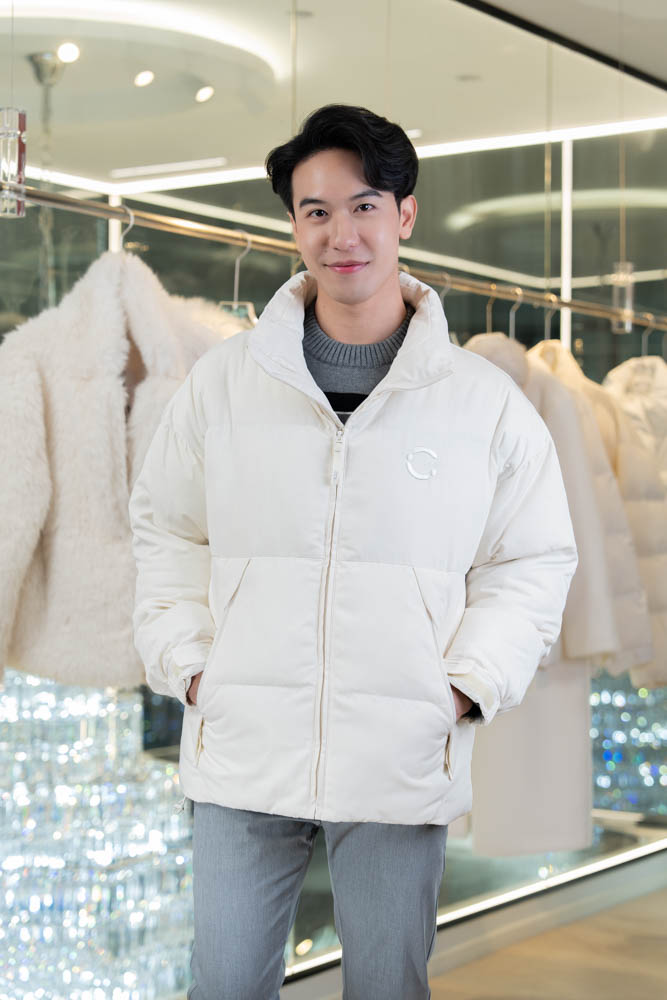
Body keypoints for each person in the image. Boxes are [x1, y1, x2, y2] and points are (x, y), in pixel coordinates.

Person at [129, 104, 578, 1000]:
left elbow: (531, 560)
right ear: (293, 225)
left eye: (364, 206)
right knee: (223, 983)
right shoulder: (223, 385)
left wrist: (461, 686)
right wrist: (192, 666)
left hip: (399, 754)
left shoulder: (481, 403)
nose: (341, 235)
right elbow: (167, 530)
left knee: (385, 987)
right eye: (316, 211)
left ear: (404, 214)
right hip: (243, 746)